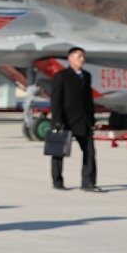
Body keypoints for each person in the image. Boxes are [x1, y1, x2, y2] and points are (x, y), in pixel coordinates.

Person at [51, 46, 100, 192]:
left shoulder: (86, 75)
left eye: (83, 56)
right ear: (70, 58)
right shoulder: (61, 76)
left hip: (83, 121)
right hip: (65, 121)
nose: (82, 59)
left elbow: (88, 101)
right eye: (79, 56)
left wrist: (92, 121)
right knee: (58, 152)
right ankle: (57, 181)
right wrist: (57, 122)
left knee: (90, 151)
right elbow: (56, 101)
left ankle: (88, 183)